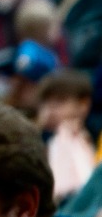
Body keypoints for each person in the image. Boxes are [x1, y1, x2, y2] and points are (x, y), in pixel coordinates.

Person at [34, 69, 96, 203]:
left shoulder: (92, 135)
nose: (51, 110)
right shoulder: (39, 138)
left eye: (60, 102)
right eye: (46, 102)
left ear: (83, 104)